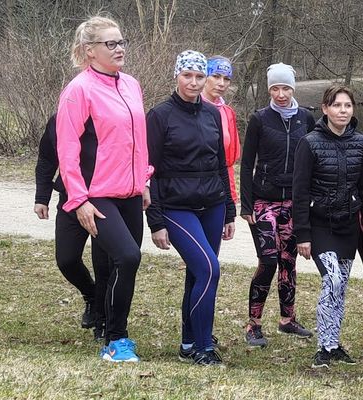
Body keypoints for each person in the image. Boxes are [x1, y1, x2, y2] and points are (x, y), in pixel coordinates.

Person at [57, 15, 150, 362]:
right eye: (111, 44)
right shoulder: (78, 90)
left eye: (122, 41)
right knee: (128, 256)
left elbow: (139, 139)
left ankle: (109, 328)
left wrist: (145, 179)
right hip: (97, 193)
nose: (120, 48)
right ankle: (116, 339)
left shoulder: (131, 84)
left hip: (129, 193)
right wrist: (79, 199)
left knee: (117, 266)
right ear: (89, 51)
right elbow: (67, 150)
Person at [145, 50, 236, 366]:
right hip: (176, 208)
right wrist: (155, 220)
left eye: (200, 76)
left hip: (211, 204)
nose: (194, 82)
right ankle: (203, 348)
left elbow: (221, 165)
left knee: (198, 274)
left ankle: (188, 343)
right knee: (210, 269)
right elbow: (149, 170)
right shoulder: (160, 116)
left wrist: (229, 209)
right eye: (188, 76)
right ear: (177, 76)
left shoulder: (213, 114)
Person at [293, 85, 363, 368]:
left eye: (347, 106)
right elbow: (299, 191)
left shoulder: (361, 144)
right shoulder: (309, 142)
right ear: (325, 109)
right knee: (332, 280)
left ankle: (334, 343)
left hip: (348, 226)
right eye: (336, 105)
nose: (342, 111)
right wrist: (303, 233)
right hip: (320, 226)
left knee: (341, 286)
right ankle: (323, 346)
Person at [240, 62, 316, 346]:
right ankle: (254, 324)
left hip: (294, 203)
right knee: (269, 259)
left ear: (293, 88)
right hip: (263, 201)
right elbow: (247, 164)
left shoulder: (306, 119)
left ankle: (287, 319)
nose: (280, 94)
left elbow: (312, 159)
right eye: (275, 88)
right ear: (269, 89)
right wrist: (246, 205)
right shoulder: (259, 118)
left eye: (285, 88)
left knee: (289, 261)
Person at [34, 113, 109, 342]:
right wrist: (42, 197)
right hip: (71, 198)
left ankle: (103, 320)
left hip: (106, 198)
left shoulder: (109, 116)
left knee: (103, 263)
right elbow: (47, 158)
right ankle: (91, 294)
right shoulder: (60, 120)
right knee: (66, 259)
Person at [201, 56, 241, 204]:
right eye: (216, 76)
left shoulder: (228, 112)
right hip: (192, 190)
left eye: (226, 78)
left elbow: (230, 160)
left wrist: (231, 197)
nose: (221, 83)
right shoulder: (187, 109)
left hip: (220, 190)